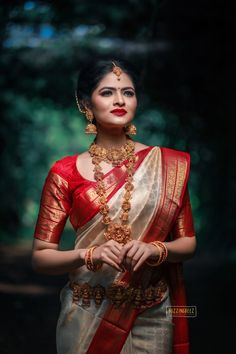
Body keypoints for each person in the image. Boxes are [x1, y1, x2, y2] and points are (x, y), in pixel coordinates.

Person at [32, 59, 196, 354]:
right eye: (107, 92)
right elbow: (42, 258)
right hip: (86, 315)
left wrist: (155, 250)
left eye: (128, 92)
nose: (120, 100)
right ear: (86, 103)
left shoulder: (168, 166)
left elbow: (188, 243)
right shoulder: (65, 172)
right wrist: (88, 254)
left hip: (153, 314)